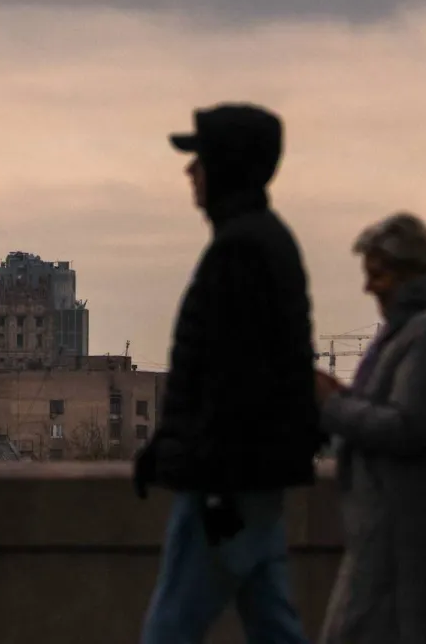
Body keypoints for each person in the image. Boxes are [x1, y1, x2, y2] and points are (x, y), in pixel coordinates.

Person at [133, 103, 321, 644]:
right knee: (273, 624)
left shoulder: (241, 250)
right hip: (253, 477)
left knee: (171, 628)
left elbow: (233, 378)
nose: (189, 173)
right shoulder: (265, 241)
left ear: (227, 167)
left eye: (200, 160)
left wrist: (209, 477)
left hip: (226, 482)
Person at [314, 213, 426, 644]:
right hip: (402, 538)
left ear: (411, 273)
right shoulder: (421, 329)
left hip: (408, 545)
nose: (369, 288)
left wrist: (331, 405)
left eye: (379, 275)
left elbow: (408, 426)